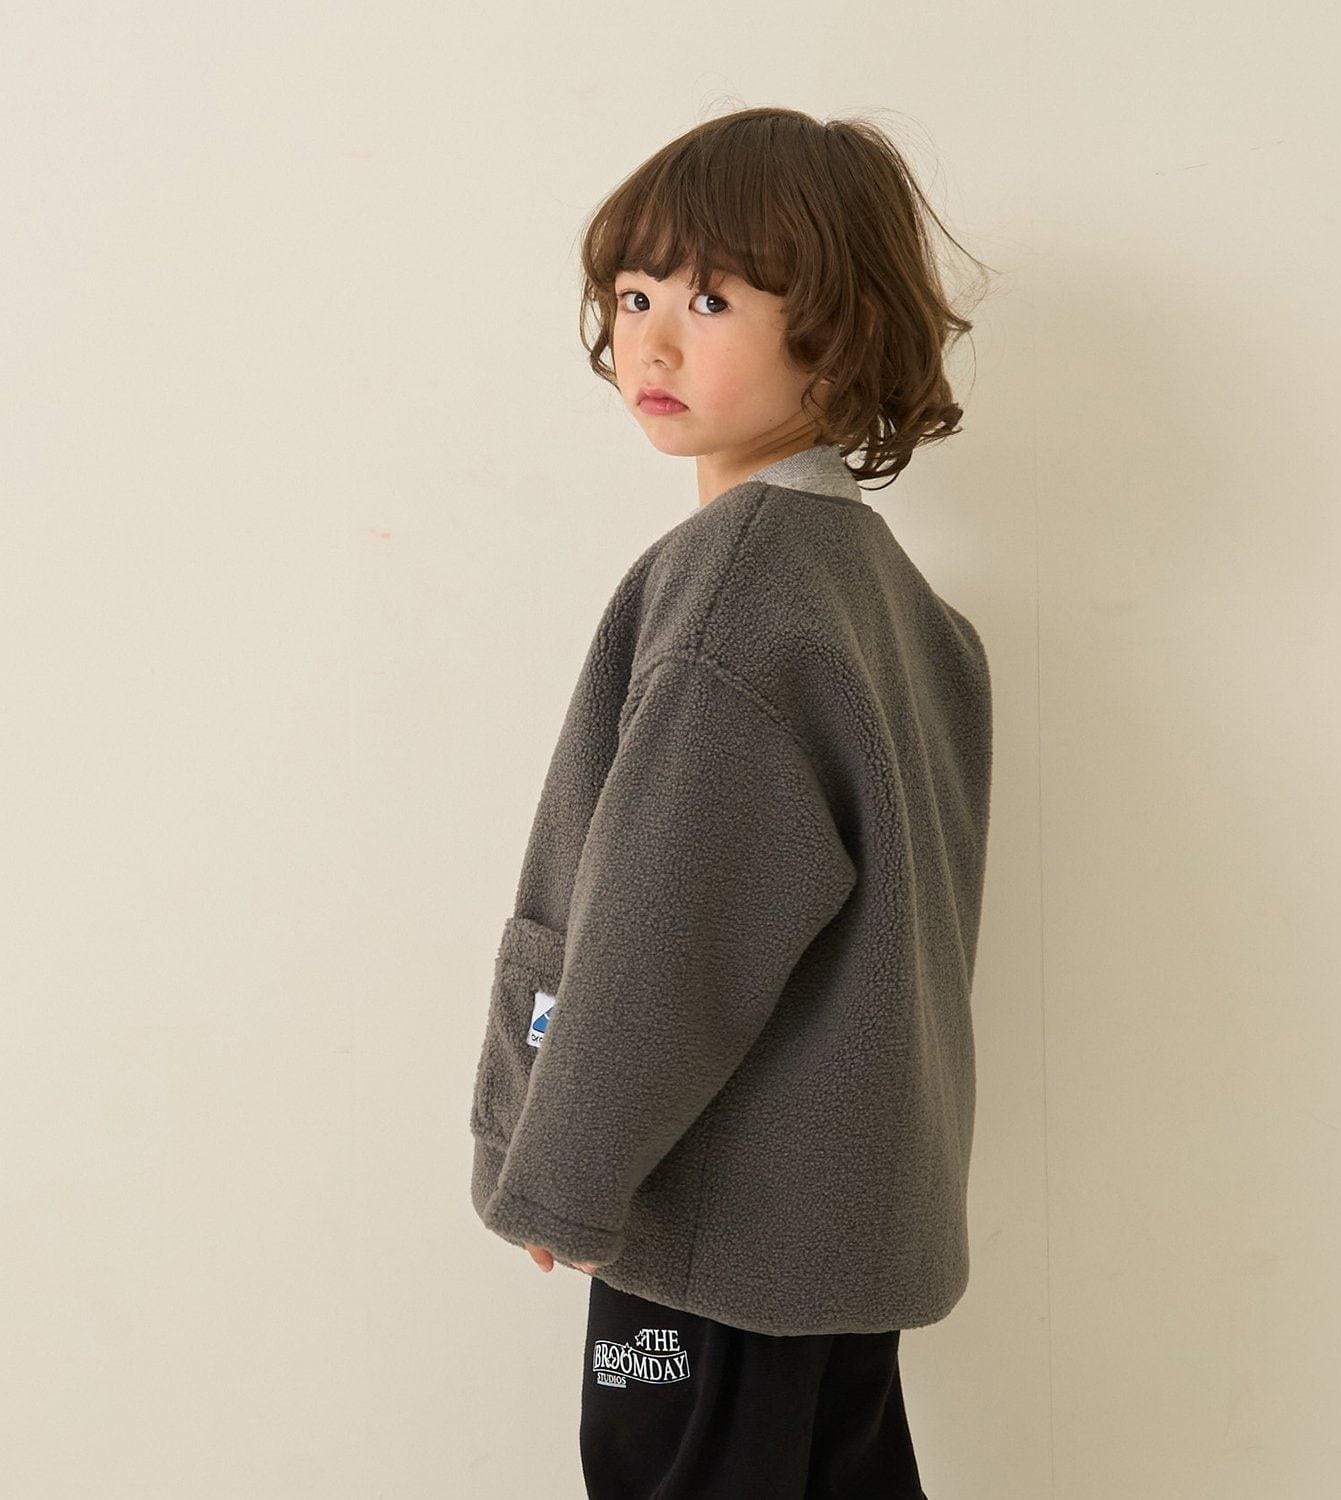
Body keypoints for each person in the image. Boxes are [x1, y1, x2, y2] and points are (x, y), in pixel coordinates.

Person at [467, 105, 995, 1499]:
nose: (650, 342)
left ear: (837, 330)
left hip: (718, 1243)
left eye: (709, 301)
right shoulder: (901, 608)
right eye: (633, 294)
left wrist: (561, 1169)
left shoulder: (736, 587)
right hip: (847, 1235)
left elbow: (673, 925)